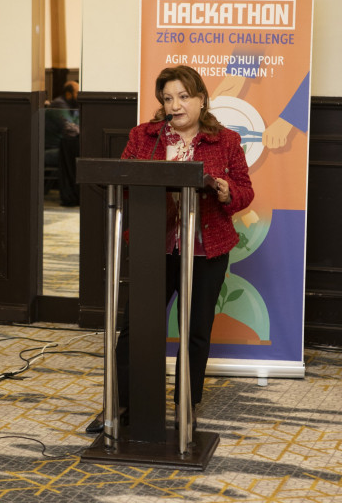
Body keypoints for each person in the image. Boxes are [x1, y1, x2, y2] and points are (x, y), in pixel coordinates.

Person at [86, 65, 254, 434]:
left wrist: (227, 191)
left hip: (205, 251)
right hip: (153, 248)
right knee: (135, 328)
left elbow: (245, 191)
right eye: (167, 98)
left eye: (183, 97)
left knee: (195, 331)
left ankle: (185, 405)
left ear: (201, 99)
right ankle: (121, 403)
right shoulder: (144, 137)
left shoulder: (226, 140)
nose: (175, 105)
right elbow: (123, 180)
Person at [44, 81, 80, 206]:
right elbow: (70, 128)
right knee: (77, 154)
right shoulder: (59, 105)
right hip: (50, 149)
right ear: (69, 94)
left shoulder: (72, 106)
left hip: (64, 147)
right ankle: (73, 195)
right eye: (77, 93)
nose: (80, 96)